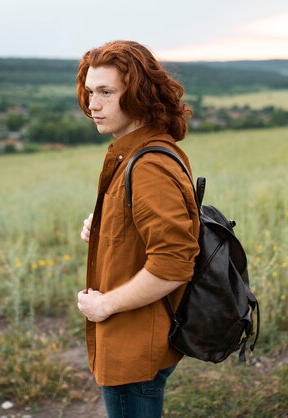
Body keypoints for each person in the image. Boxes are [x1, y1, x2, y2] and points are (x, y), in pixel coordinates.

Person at [75, 40, 201, 418]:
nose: (92, 105)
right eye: (90, 92)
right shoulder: (137, 151)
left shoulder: (148, 165)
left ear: (140, 95)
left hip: (133, 343)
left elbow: (174, 262)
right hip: (130, 336)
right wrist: (106, 229)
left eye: (106, 93)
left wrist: (105, 304)